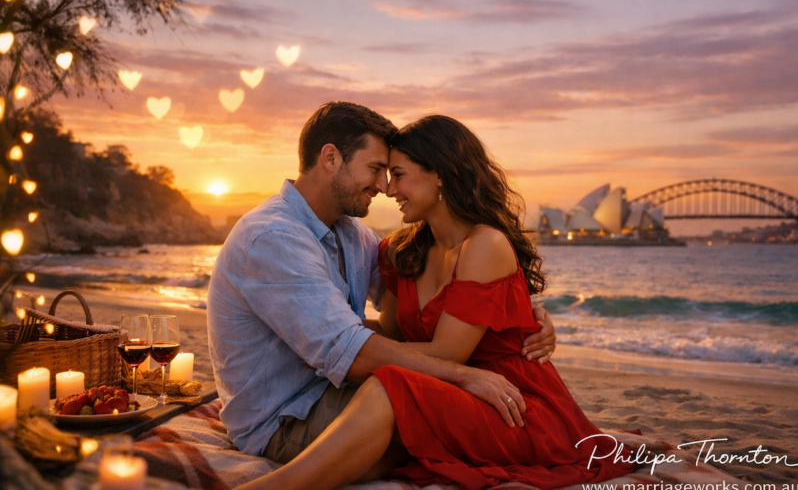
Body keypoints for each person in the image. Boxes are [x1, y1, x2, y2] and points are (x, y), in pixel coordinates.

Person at [237, 115, 638, 490]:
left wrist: (533, 320)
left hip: (510, 400)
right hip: (457, 392)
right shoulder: (400, 251)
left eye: (398, 175)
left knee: (388, 383)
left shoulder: (485, 245)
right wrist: (316, 336)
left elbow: (448, 353)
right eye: (382, 173)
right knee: (387, 392)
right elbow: (391, 335)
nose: (388, 190)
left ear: (441, 175)